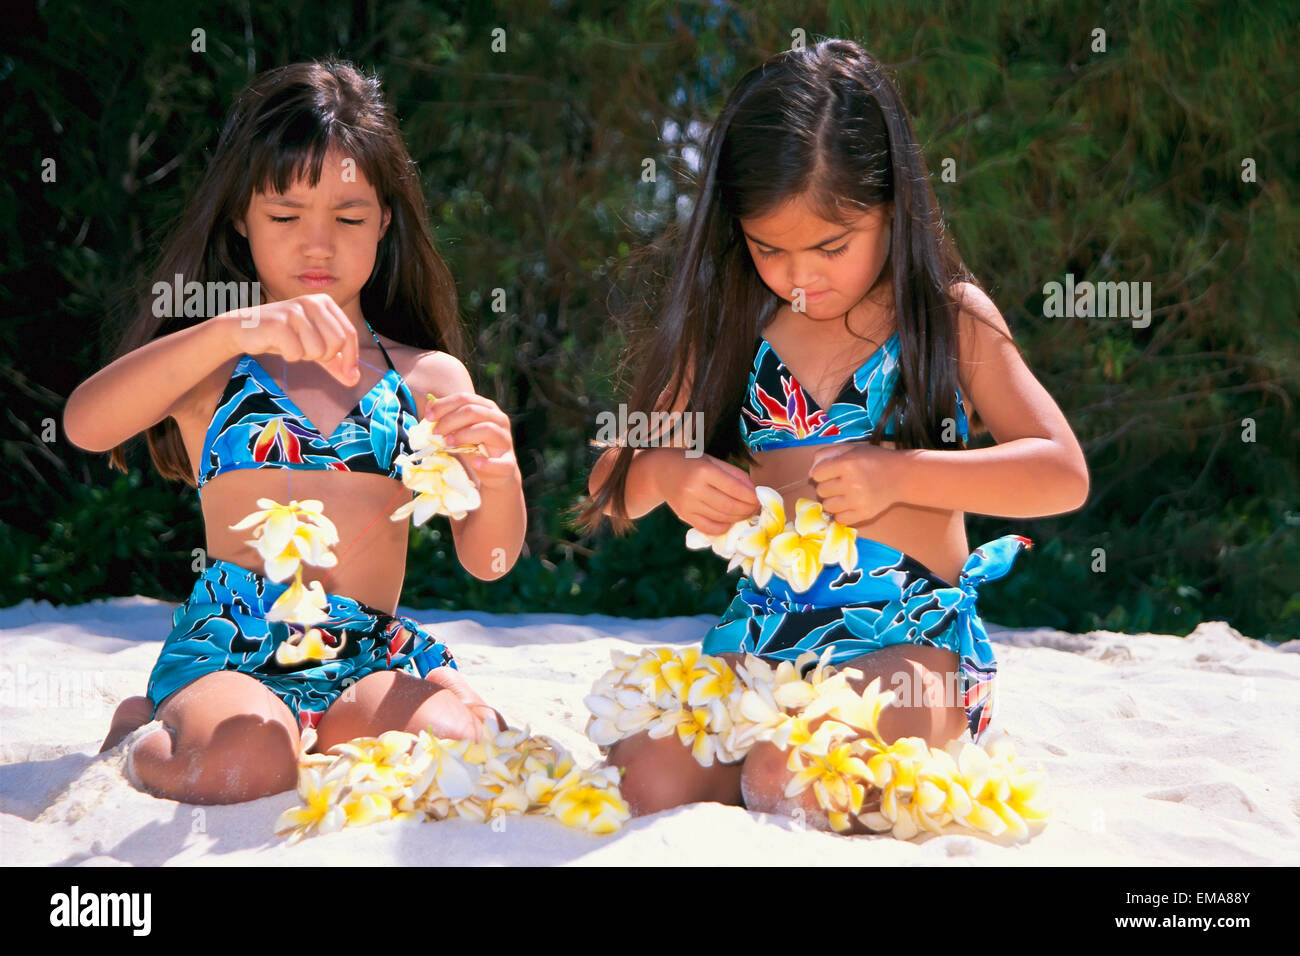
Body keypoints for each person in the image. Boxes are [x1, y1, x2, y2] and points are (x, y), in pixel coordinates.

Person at [577, 39, 1088, 828]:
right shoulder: (731, 326)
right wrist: (670, 476)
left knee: (801, 776)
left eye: (831, 247)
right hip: (766, 645)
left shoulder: (947, 318)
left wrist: (904, 473)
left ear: (893, 209)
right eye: (768, 248)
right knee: (640, 775)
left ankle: (905, 737)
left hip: (911, 648)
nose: (800, 276)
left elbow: (1061, 473)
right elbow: (611, 485)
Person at [64, 60, 525, 805]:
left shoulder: (427, 379)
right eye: (285, 217)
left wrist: (499, 476)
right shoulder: (215, 365)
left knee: (469, 746)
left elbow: (491, 560)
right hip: (231, 657)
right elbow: (85, 424)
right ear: (241, 218)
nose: (318, 246)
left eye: (348, 218)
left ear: (384, 221)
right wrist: (233, 327)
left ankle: (314, 726)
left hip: (362, 657)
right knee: (248, 761)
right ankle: (145, 727)